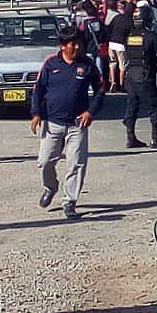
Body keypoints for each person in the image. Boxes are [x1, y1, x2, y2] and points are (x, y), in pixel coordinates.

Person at [31, 26, 104, 220]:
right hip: (52, 122)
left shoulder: (87, 64)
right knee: (44, 161)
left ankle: (69, 201)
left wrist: (90, 111)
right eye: (73, 43)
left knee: (76, 164)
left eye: (79, 43)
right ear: (63, 46)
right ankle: (50, 187)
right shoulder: (50, 64)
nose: (77, 47)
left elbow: (100, 89)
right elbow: (38, 90)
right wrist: (36, 113)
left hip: (77, 124)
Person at [122, 4, 157, 149]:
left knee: (132, 106)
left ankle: (130, 137)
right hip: (144, 76)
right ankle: (155, 138)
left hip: (131, 75)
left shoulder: (129, 37)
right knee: (156, 104)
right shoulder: (150, 36)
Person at [106, 0, 134, 93]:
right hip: (121, 45)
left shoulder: (117, 17)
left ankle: (113, 83)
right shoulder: (130, 21)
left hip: (111, 43)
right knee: (123, 67)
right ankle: (121, 85)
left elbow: (109, 28)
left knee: (112, 64)